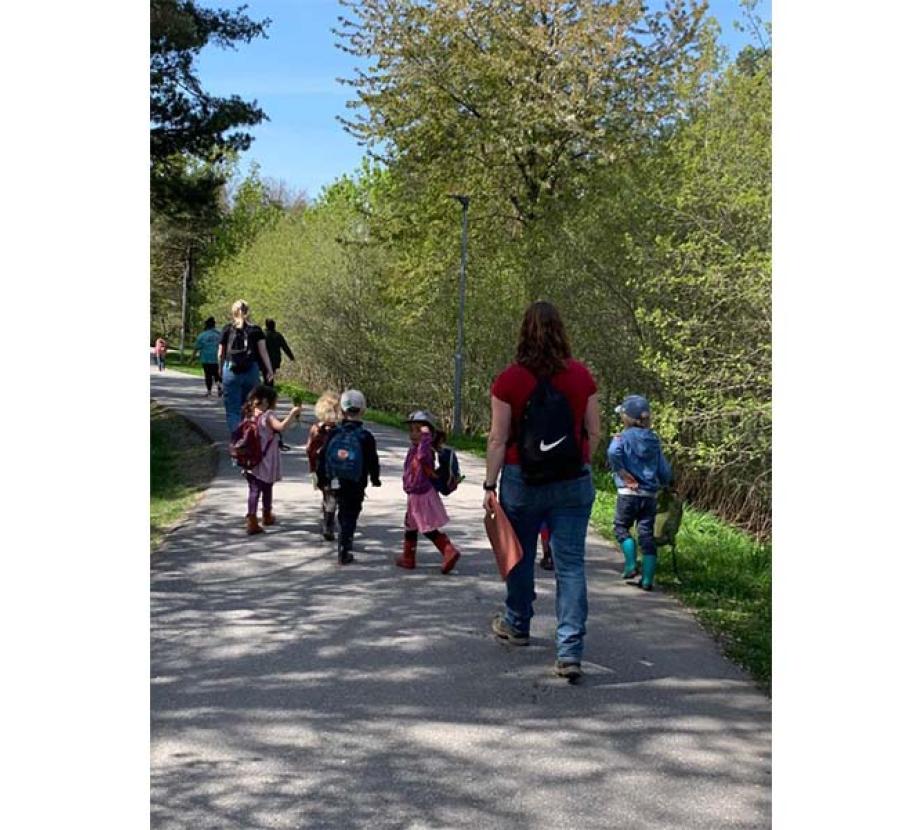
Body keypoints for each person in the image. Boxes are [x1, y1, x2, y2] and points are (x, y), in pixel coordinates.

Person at [483, 301, 601, 681]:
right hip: (572, 483)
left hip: (522, 480)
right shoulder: (583, 377)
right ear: (561, 332)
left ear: (523, 333)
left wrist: (489, 484)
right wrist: (580, 465)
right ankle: (569, 651)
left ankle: (517, 624)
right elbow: (594, 432)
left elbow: (498, 439)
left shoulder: (509, 380)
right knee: (570, 565)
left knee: (517, 555)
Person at [607, 394, 673, 591]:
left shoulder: (622, 438)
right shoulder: (654, 441)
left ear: (626, 417)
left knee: (621, 528)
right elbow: (664, 471)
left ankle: (630, 565)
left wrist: (621, 471)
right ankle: (647, 580)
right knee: (646, 535)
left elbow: (612, 452)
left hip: (628, 493)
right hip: (649, 496)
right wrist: (665, 483)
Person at [394, 410, 461, 574]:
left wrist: (425, 439)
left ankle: (448, 550)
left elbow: (423, 458)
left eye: (419, 430)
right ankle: (408, 558)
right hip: (414, 494)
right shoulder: (415, 448)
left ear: (429, 434)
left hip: (421, 495)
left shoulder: (425, 450)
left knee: (427, 527)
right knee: (411, 525)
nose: (414, 434)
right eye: (412, 430)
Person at [324, 389, 381, 565]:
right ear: (363, 410)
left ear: (341, 410)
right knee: (351, 512)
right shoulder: (366, 436)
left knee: (341, 509)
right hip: (356, 482)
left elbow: (323, 455)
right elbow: (372, 460)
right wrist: (375, 478)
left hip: (336, 479)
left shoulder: (334, 433)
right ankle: (345, 547)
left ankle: (340, 537)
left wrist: (322, 476)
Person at [239, 384, 303, 535]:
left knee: (254, 489)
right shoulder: (268, 415)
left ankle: (253, 518)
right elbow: (280, 427)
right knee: (267, 486)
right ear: (266, 401)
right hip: (266, 459)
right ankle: (263, 516)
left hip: (250, 459)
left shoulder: (249, 414)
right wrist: (292, 414)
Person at [217, 300, 274, 434]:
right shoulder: (256, 330)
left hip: (231, 370)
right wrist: (269, 370)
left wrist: (220, 370)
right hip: (251, 370)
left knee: (233, 410)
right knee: (249, 407)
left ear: (233, 312)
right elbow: (263, 352)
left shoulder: (227, 329)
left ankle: (238, 441)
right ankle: (248, 438)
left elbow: (220, 353)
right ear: (248, 312)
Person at [306, 390, 342, 541]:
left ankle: (328, 519)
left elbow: (309, 449)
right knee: (333, 495)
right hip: (336, 469)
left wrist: (312, 468)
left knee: (328, 494)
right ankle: (329, 522)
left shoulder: (315, 429)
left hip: (320, 468)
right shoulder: (340, 430)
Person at [263, 319, 297, 448]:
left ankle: (267, 389)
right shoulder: (277, 335)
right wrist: (291, 357)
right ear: (274, 326)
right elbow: (285, 346)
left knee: (267, 374)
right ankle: (268, 389)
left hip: (265, 359)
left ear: (266, 326)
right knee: (271, 375)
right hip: (275, 359)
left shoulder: (263, 334)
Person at [191, 317, 223, 398]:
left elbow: (196, 348)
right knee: (217, 374)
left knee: (208, 375)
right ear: (214, 325)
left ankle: (209, 391)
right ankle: (220, 388)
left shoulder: (202, 335)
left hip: (206, 358)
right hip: (217, 358)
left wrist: (192, 358)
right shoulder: (219, 334)